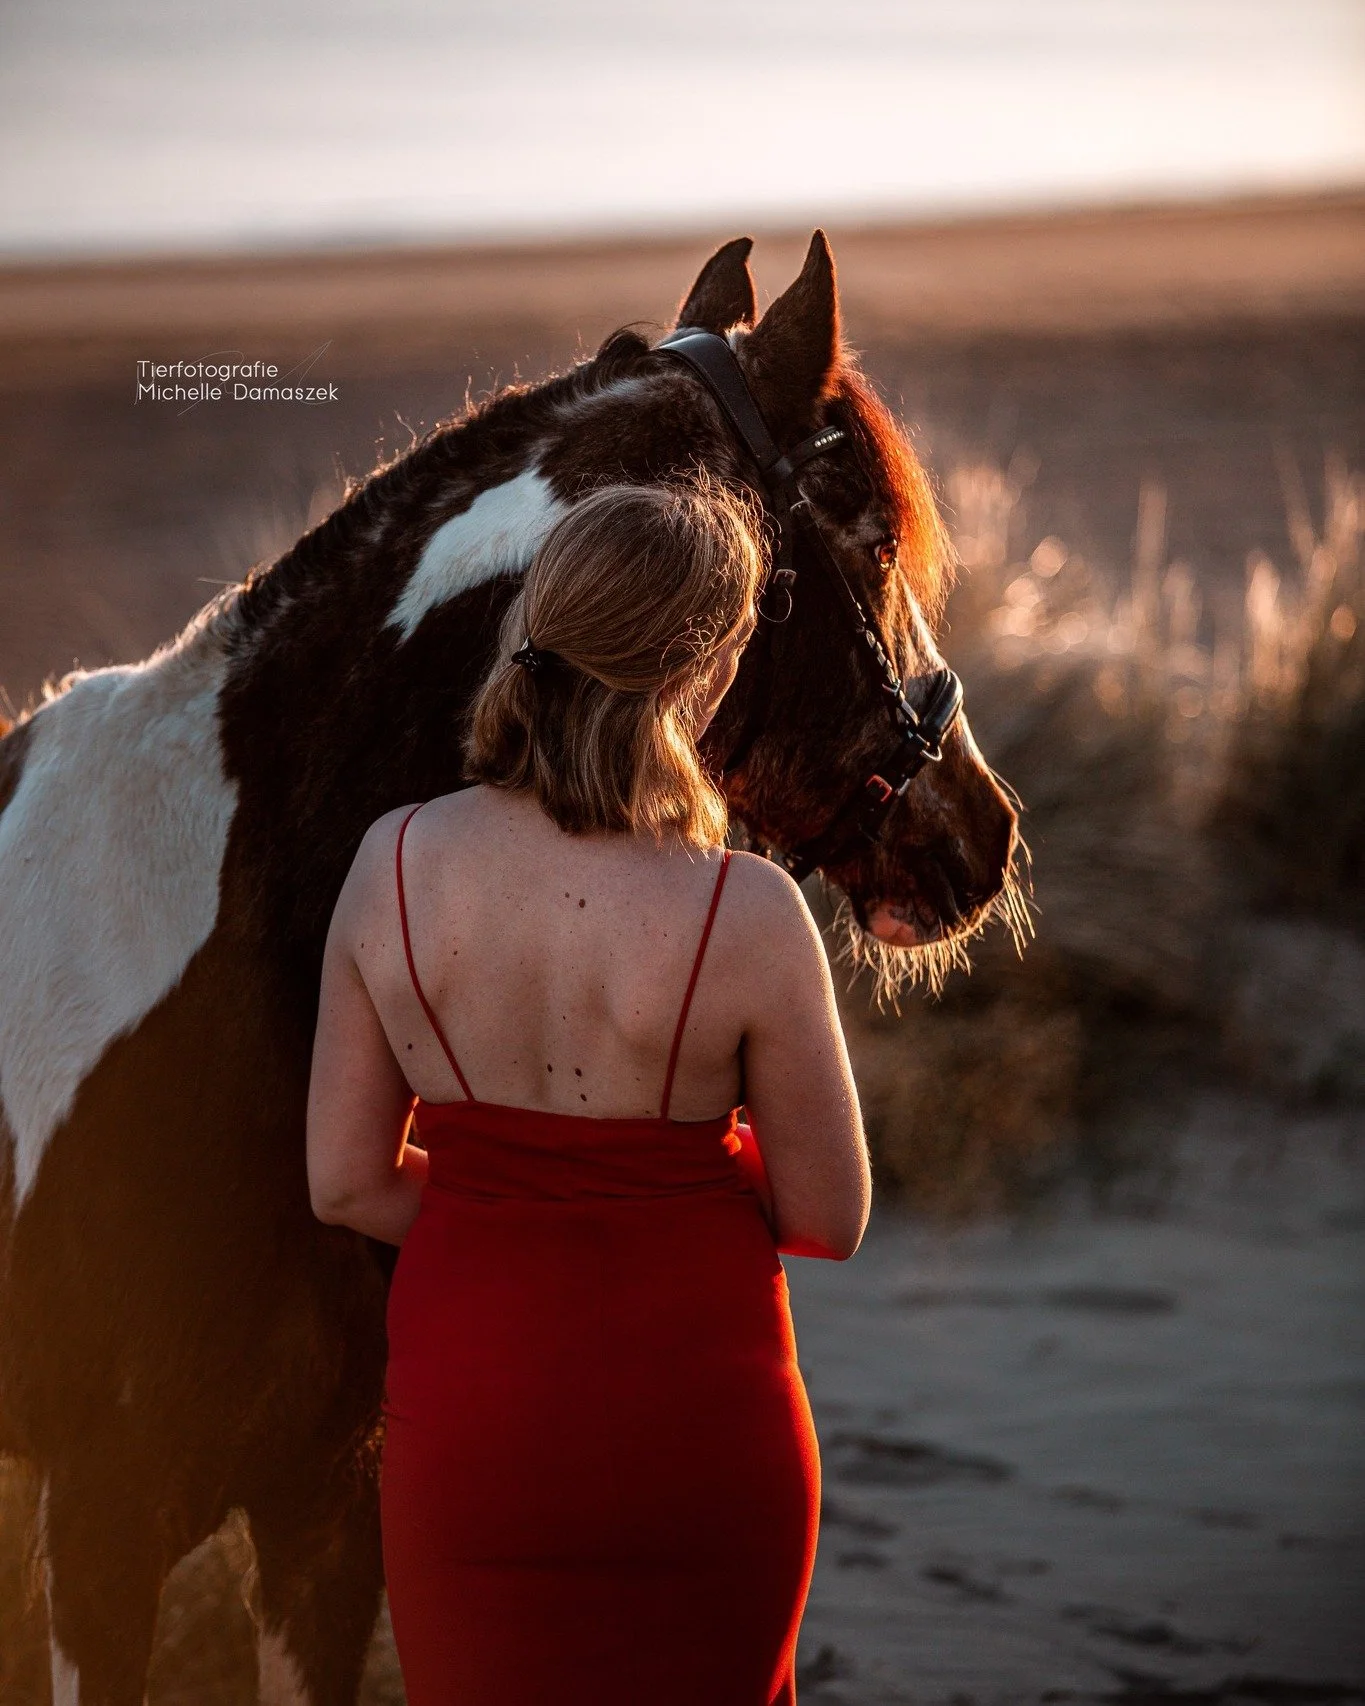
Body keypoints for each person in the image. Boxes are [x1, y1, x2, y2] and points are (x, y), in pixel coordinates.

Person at [305, 477, 871, 1706]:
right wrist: (660, 1196)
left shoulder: (394, 862)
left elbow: (344, 1178)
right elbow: (829, 1213)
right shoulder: (749, 911)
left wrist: (505, 1207)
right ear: (699, 672)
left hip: (477, 1422)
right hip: (701, 1427)